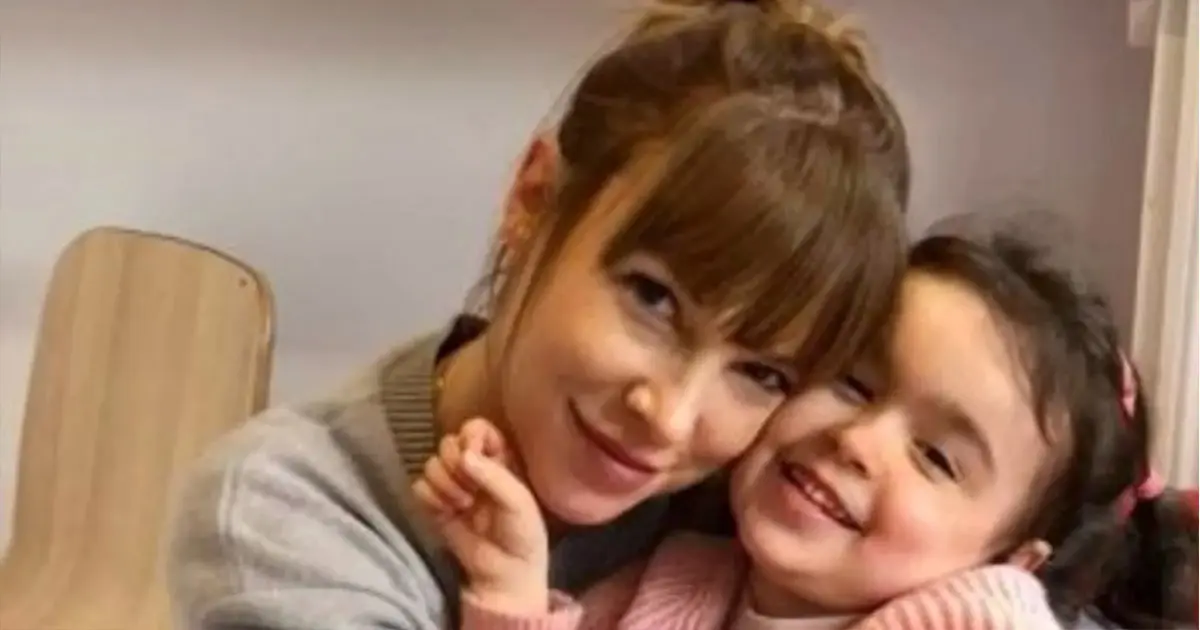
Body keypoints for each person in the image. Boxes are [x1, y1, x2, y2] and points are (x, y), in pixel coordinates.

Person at [166, 1, 911, 628]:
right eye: (654, 299)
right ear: (533, 198)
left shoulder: (744, 516)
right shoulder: (286, 519)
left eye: (761, 372)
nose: (672, 418)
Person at [420, 215, 1199, 630]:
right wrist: (514, 589)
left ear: (1012, 558)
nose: (856, 440)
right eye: (852, 383)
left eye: (935, 457)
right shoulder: (679, 577)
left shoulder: (982, 620)